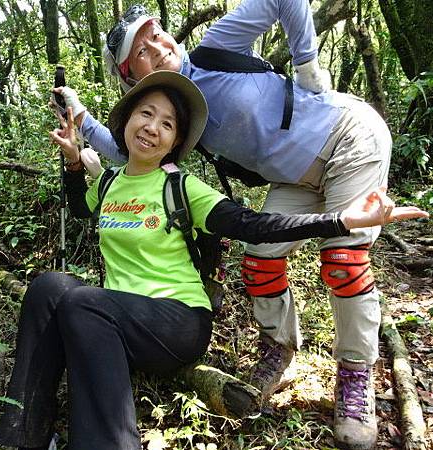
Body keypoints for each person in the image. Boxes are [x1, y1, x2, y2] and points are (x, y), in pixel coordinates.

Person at [0, 70, 427, 450]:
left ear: (175, 142)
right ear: (126, 120)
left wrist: (343, 219)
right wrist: (71, 164)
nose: (152, 128)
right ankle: (22, 432)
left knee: (83, 302)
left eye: (167, 124)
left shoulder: (183, 188)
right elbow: (81, 210)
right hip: (118, 318)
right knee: (50, 286)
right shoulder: (109, 184)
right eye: (146, 113)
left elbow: (255, 225)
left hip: (177, 321)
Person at [54, 1, 400, 448]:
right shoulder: (179, 117)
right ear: (131, 78)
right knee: (259, 263)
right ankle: (279, 347)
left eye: (155, 34)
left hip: (348, 135)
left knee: (343, 260)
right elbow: (127, 153)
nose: (156, 47)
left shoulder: (214, 48)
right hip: (295, 178)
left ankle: (355, 378)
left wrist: (307, 65)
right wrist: (80, 117)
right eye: (139, 51)